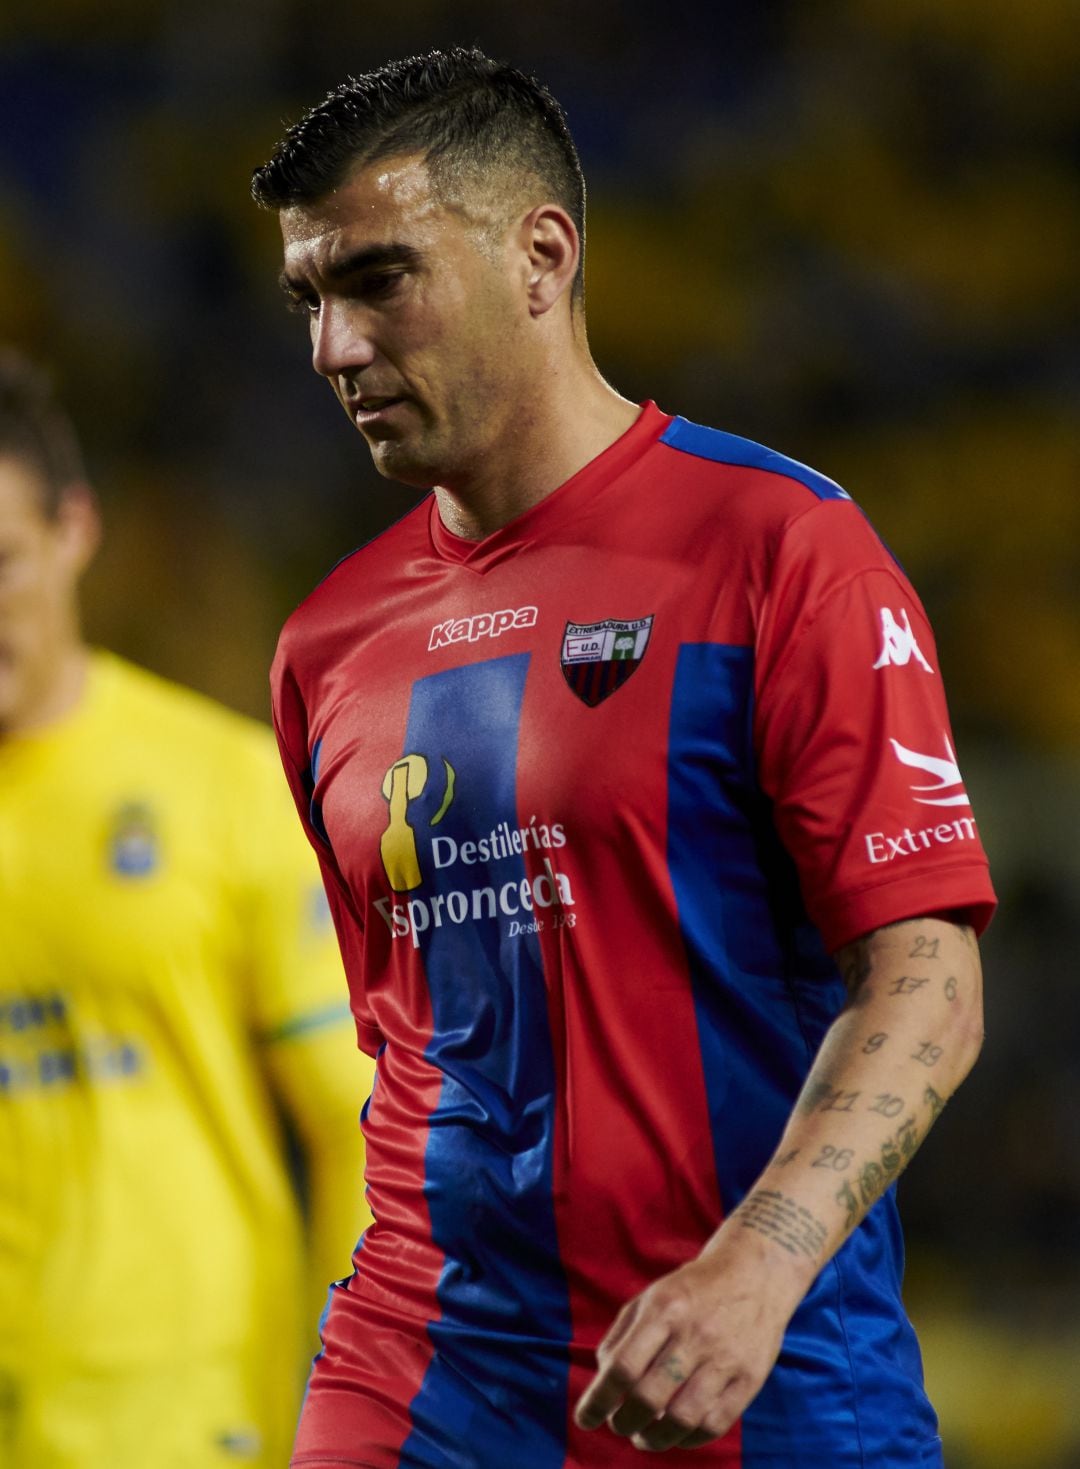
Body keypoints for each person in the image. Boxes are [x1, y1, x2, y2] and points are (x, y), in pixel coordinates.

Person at [250, 46, 996, 1469]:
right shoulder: (324, 646)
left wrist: (757, 1269)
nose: (332, 349)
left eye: (379, 280)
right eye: (309, 298)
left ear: (542, 256)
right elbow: (404, 1040)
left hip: (760, 1370)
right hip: (424, 1376)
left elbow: (930, 976)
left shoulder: (781, 549)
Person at [0, 348, 375, 1468]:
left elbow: (363, 1128)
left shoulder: (223, 787)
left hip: (183, 1425)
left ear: (76, 530)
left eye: (3, 561)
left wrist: (347, 1407)